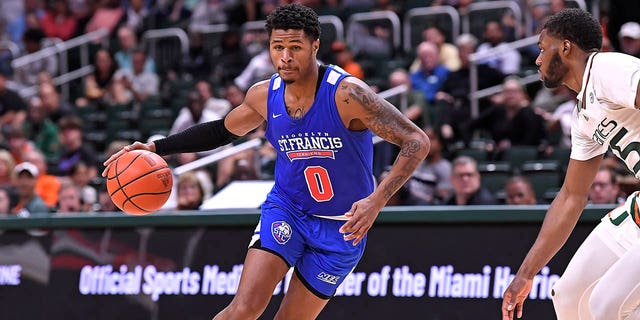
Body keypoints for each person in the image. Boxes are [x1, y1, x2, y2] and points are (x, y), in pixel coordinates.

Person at [103, 4, 429, 319]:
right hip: (287, 209)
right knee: (244, 309)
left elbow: (416, 141)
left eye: (295, 47)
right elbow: (222, 130)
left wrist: (376, 201)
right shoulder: (264, 94)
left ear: (315, 46)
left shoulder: (347, 94)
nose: (285, 57)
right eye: (277, 47)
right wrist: (157, 147)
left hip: (342, 225)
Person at [502, 8, 640, 320]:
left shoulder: (606, 68)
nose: (537, 60)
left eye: (541, 48)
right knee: (568, 297)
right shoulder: (582, 115)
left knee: (606, 305)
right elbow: (571, 197)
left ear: (565, 47)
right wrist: (527, 273)